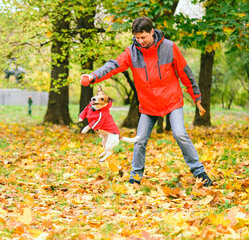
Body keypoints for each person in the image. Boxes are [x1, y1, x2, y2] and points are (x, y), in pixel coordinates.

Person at [80, 17, 213, 187]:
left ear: (152, 32)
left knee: (180, 134)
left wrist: (196, 97)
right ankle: (135, 176)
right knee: (139, 140)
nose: (140, 41)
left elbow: (185, 73)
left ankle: (199, 172)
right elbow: (113, 65)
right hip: (149, 105)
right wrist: (93, 76)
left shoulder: (169, 48)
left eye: (143, 37)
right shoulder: (132, 53)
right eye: (137, 38)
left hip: (172, 101)